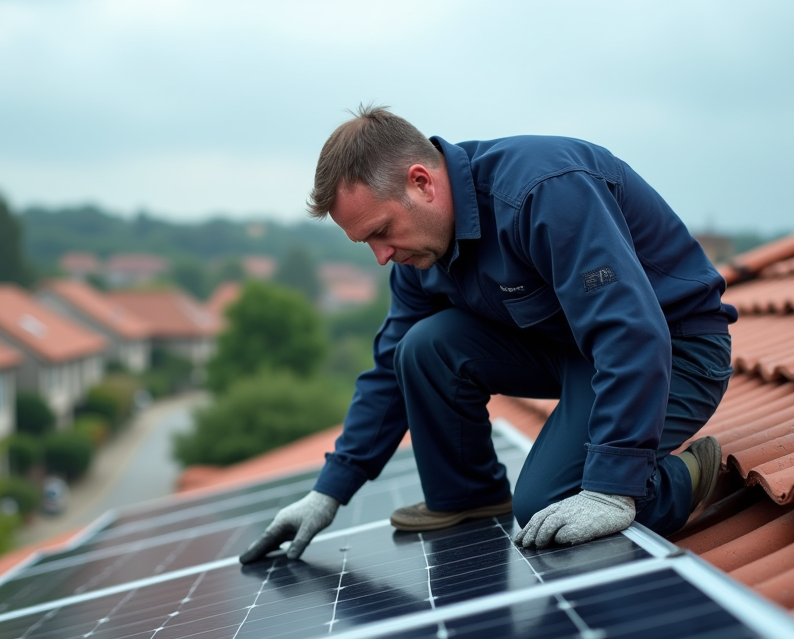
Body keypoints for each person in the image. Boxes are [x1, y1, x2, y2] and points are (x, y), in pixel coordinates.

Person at [240, 105, 736, 564]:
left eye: (380, 230)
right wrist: (328, 492)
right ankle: (468, 496)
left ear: (421, 183)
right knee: (423, 347)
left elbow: (628, 330)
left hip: (674, 350)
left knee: (550, 505)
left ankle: (687, 476)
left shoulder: (543, 191)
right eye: (365, 242)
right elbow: (390, 367)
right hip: (576, 352)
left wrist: (612, 487)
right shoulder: (419, 252)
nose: (381, 256)